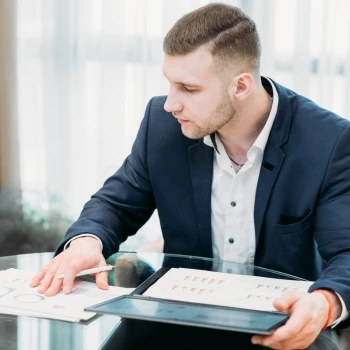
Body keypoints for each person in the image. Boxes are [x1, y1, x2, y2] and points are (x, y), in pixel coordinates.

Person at [30, 3, 350, 349]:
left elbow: (347, 252)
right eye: (169, 83)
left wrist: (324, 302)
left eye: (188, 88)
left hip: (281, 327)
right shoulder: (163, 123)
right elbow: (116, 203)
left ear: (241, 86)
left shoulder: (328, 143)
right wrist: (86, 243)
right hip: (180, 321)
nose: (171, 103)